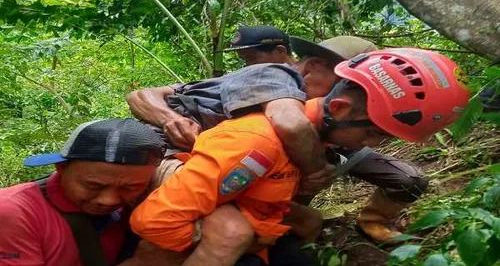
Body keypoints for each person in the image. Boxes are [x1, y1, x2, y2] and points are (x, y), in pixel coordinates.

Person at [130, 48, 470, 266]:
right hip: (186, 175)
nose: (375, 145)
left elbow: (265, 202)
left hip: (236, 202)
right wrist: (249, 239)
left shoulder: (316, 140)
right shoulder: (265, 125)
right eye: (374, 134)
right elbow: (158, 221)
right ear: (339, 107)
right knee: (230, 234)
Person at [0, 119, 166, 266]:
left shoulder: (140, 207)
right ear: (61, 168)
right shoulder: (15, 212)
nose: (109, 200)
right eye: (93, 186)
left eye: (130, 188)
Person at [220, 25, 296, 66]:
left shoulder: (305, 82)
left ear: (280, 51)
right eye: (245, 60)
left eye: (251, 58)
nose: (248, 66)